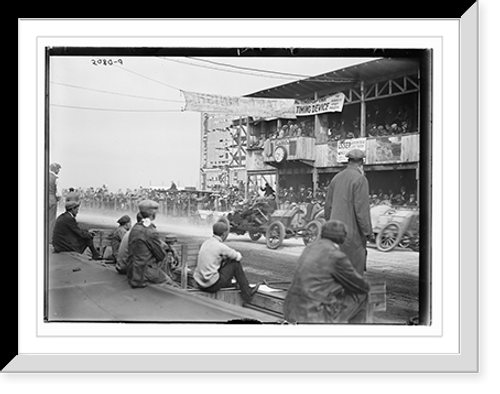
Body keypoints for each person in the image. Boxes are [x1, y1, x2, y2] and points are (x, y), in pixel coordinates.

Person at [283, 220, 371, 323]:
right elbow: (358, 284)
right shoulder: (337, 256)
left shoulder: (309, 248)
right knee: (364, 294)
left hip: (290, 308)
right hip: (313, 313)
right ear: (342, 237)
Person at [324, 148, 372, 275]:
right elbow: (361, 211)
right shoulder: (360, 179)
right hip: (352, 235)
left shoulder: (336, 178)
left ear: (348, 161)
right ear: (361, 163)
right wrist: (367, 232)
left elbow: (327, 206)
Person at [193, 221, 262, 302]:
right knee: (235, 264)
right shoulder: (221, 247)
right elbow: (238, 257)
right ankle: (247, 292)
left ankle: (231, 285)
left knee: (222, 261)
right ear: (224, 234)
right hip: (211, 285)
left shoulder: (206, 243)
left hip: (199, 283)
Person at [127, 200, 170, 288]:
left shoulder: (135, 227)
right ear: (153, 213)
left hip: (132, 272)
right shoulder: (150, 231)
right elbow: (160, 255)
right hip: (143, 274)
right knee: (169, 281)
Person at [48, 163, 61, 244]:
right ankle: (49, 239)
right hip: (52, 199)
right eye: (58, 169)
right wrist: (58, 199)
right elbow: (58, 194)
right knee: (51, 220)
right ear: (54, 169)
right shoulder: (55, 178)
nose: (59, 171)